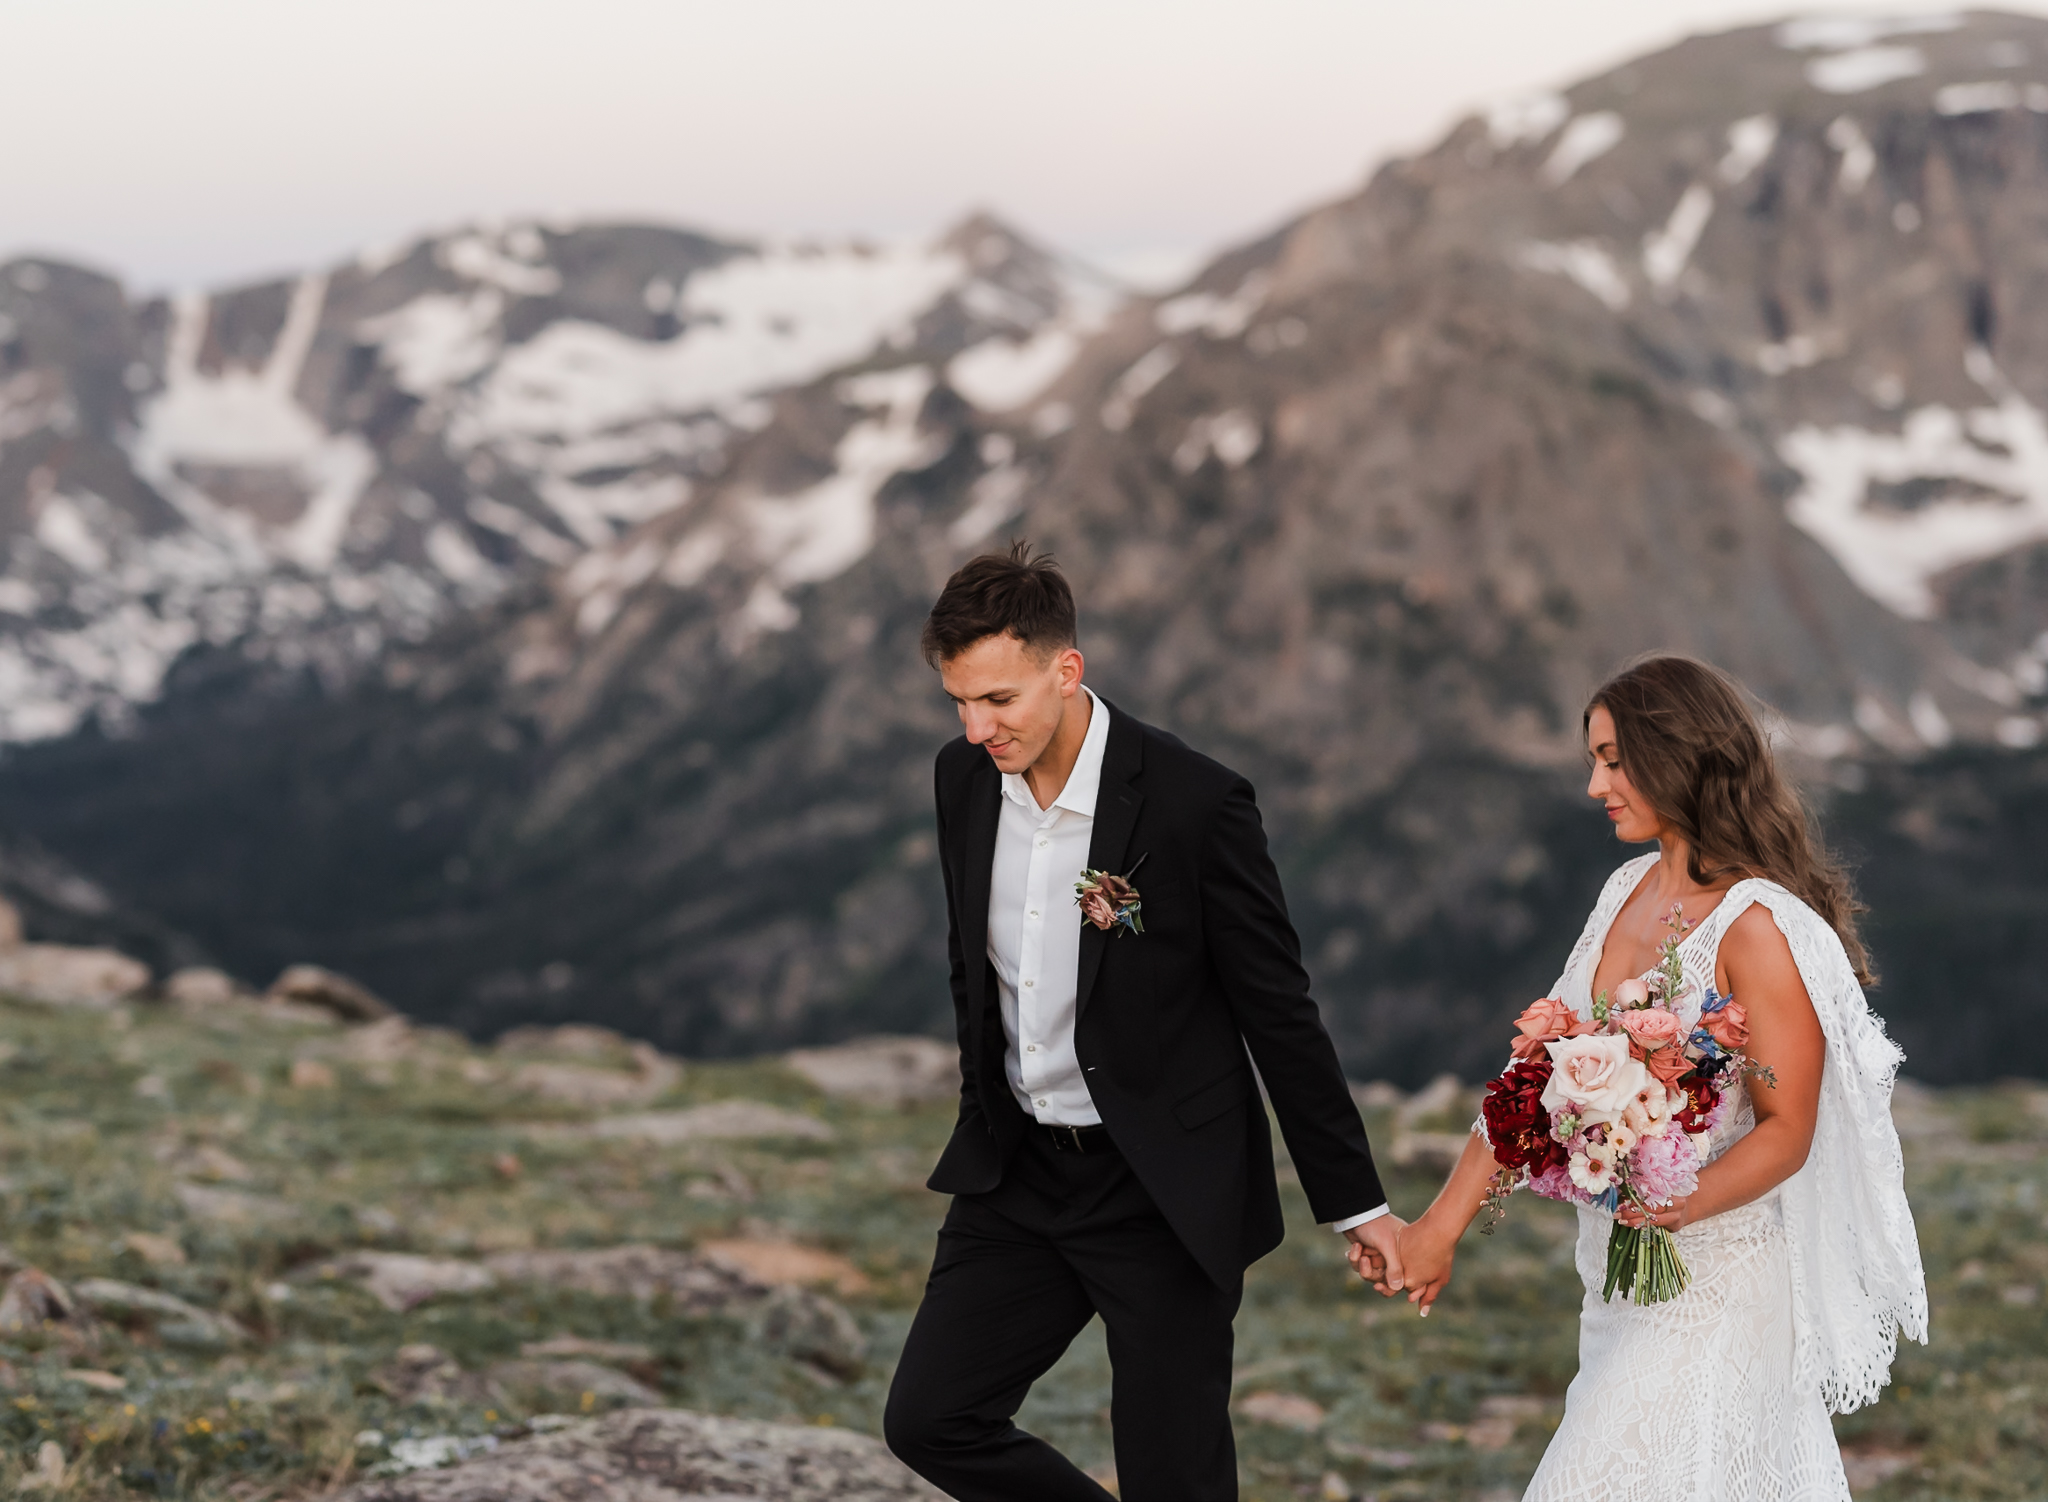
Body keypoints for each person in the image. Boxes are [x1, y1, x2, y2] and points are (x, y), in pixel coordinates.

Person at [883, 542, 1405, 1501]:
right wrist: (982, 1107)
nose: (974, 728)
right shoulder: (962, 782)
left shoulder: (1194, 802)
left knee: (1177, 1476)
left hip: (1161, 1187)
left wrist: (1356, 1205)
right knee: (928, 1419)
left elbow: (1279, 1012)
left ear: (1065, 669)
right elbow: (973, 970)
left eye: (998, 700)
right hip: (1020, 1177)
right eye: (957, 700)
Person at [1382, 654, 1927, 1500]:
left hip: (1720, 1293)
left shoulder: (1757, 928)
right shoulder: (1623, 890)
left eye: (1612, 759)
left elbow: (1788, 1130)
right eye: (1593, 760)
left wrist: (1673, 1203)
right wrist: (1439, 1227)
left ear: (1678, 755)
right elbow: (1531, 1079)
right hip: (1615, 1286)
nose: (1597, 784)